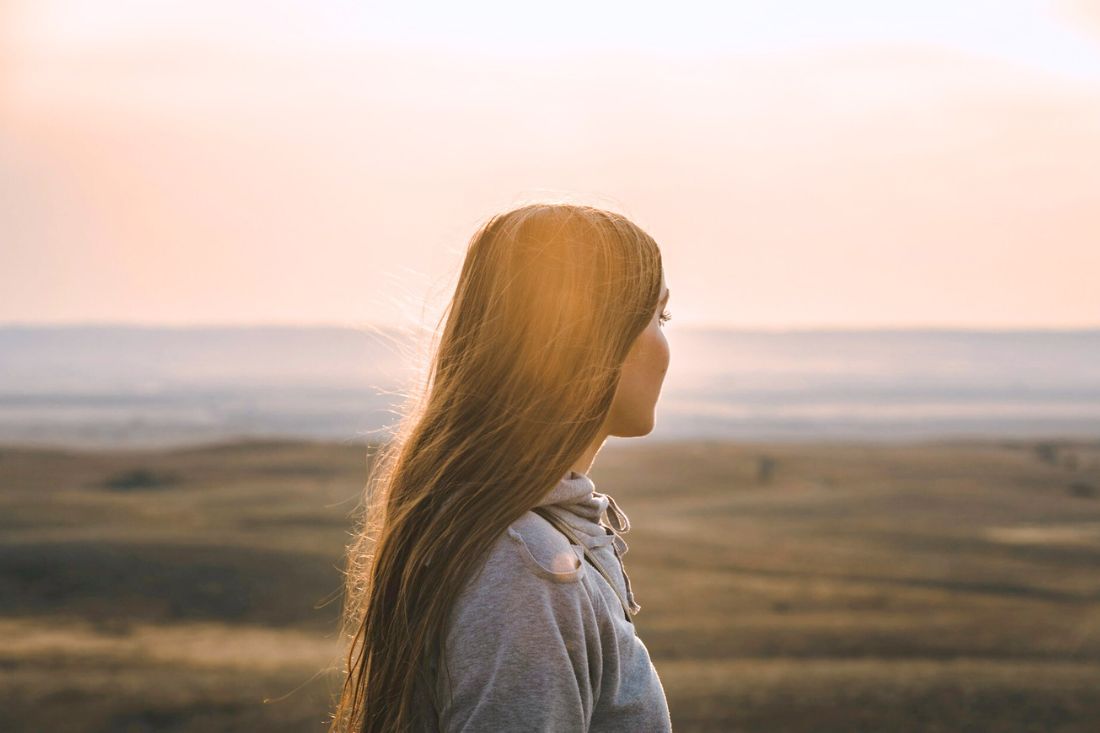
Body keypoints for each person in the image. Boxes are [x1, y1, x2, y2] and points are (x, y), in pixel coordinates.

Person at [330, 202, 674, 732]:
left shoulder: (523, 543)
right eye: (659, 315)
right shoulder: (530, 572)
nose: (666, 342)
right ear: (594, 337)